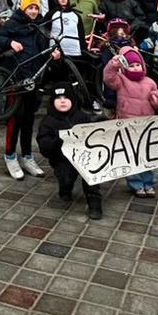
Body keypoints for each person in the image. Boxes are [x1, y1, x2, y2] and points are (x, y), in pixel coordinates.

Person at [0, 0, 58, 180]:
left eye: (36, 8)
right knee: (15, 119)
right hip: (16, 78)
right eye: (30, 7)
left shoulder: (40, 27)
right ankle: (10, 156)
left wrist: (52, 55)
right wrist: (10, 42)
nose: (33, 11)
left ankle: (28, 156)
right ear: (23, 8)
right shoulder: (14, 23)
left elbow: (43, 51)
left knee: (29, 120)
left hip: (33, 79)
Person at [102, 48, 158, 198]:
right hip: (127, 125)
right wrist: (113, 64)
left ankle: (149, 183)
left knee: (146, 155)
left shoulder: (150, 82)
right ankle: (136, 184)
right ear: (124, 67)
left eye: (138, 64)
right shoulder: (121, 80)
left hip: (146, 125)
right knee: (131, 155)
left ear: (143, 65)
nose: (136, 67)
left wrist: (157, 100)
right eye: (131, 65)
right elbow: (108, 78)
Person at [36, 84, 103, 220]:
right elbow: (44, 147)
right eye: (58, 98)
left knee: (92, 178)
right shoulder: (48, 122)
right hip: (62, 159)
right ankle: (65, 190)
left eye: (66, 98)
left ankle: (94, 203)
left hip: (85, 158)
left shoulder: (82, 117)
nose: (62, 101)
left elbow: (94, 136)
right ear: (52, 102)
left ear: (73, 100)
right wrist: (58, 141)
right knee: (66, 178)